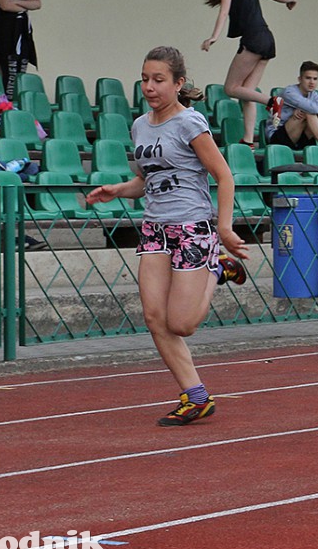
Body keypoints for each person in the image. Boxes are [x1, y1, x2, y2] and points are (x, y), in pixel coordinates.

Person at [86, 46, 249, 427]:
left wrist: (224, 228)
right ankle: (195, 396)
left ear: (178, 83)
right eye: (144, 79)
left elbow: (224, 176)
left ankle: (217, 268)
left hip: (192, 227)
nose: (149, 87)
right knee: (154, 317)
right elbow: (147, 180)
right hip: (154, 229)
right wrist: (118, 189)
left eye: (158, 80)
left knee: (182, 324)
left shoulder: (191, 124)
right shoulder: (140, 126)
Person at [201, 0, 296, 146]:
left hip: (253, 39)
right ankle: (248, 140)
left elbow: (224, 12)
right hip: (267, 38)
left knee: (231, 88)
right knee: (247, 92)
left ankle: (272, 101)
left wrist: (214, 37)